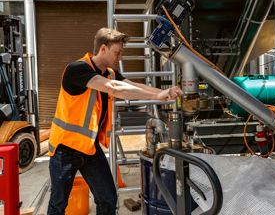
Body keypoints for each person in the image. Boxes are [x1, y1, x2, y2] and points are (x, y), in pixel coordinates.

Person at [47, 28, 182, 215]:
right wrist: (159, 94)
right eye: (117, 52)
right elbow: (115, 88)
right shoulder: (77, 69)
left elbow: (131, 85)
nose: (120, 57)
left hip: (89, 148)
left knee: (108, 199)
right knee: (58, 204)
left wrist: (160, 95)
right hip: (65, 149)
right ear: (103, 49)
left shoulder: (109, 72)